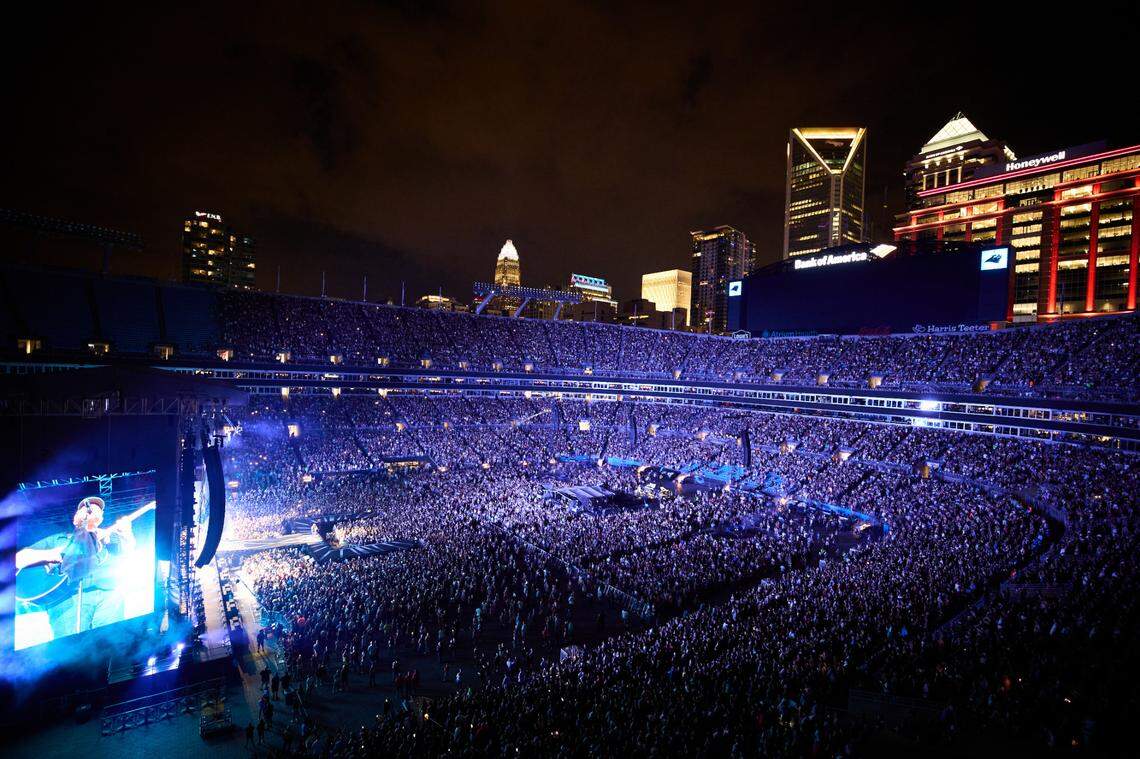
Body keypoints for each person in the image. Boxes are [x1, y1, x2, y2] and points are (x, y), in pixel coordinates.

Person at [15, 497, 138, 643]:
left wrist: (126, 534)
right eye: (87, 509)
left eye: (97, 511)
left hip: (108, 594)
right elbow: (18, 559)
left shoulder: (107, 541)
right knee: (72, 652)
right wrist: (53, 554)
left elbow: (128, 551)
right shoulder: (58, 539)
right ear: (76, 517)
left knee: (114, 645)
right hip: (67, 598)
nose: (92, 510)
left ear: (101, 518)